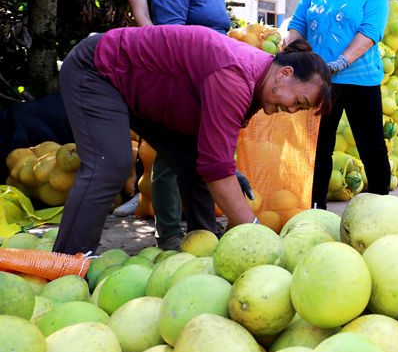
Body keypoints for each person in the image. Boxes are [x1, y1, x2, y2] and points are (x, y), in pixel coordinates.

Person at [52, 25, 332, 256]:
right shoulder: (235, 76)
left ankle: (203, 248)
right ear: (284, 74)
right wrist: (256, 235)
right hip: (98, 70)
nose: (292, 111)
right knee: (111, 162)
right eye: (298, 101)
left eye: (300, 108)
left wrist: (228, 172)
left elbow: (210, 153)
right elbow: (216, 169)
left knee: (193, 159)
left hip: (138, 92)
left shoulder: (258, 82)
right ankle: (69, 259)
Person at [132, 0, 245, 248]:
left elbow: (217, 30)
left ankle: (202, 232)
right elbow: (172, 38)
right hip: (180, 78)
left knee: (200, 156)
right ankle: (168, 235)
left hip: (210, 79)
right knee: (171, 158)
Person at [287, 0, 391, 209]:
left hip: (361, 80)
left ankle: (382, 205)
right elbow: (297, 25)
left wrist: (339, 63)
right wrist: (290, 50)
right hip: (320, 80)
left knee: (371, 145)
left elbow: (371, 31)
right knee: (319, 146)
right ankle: (315, 206)